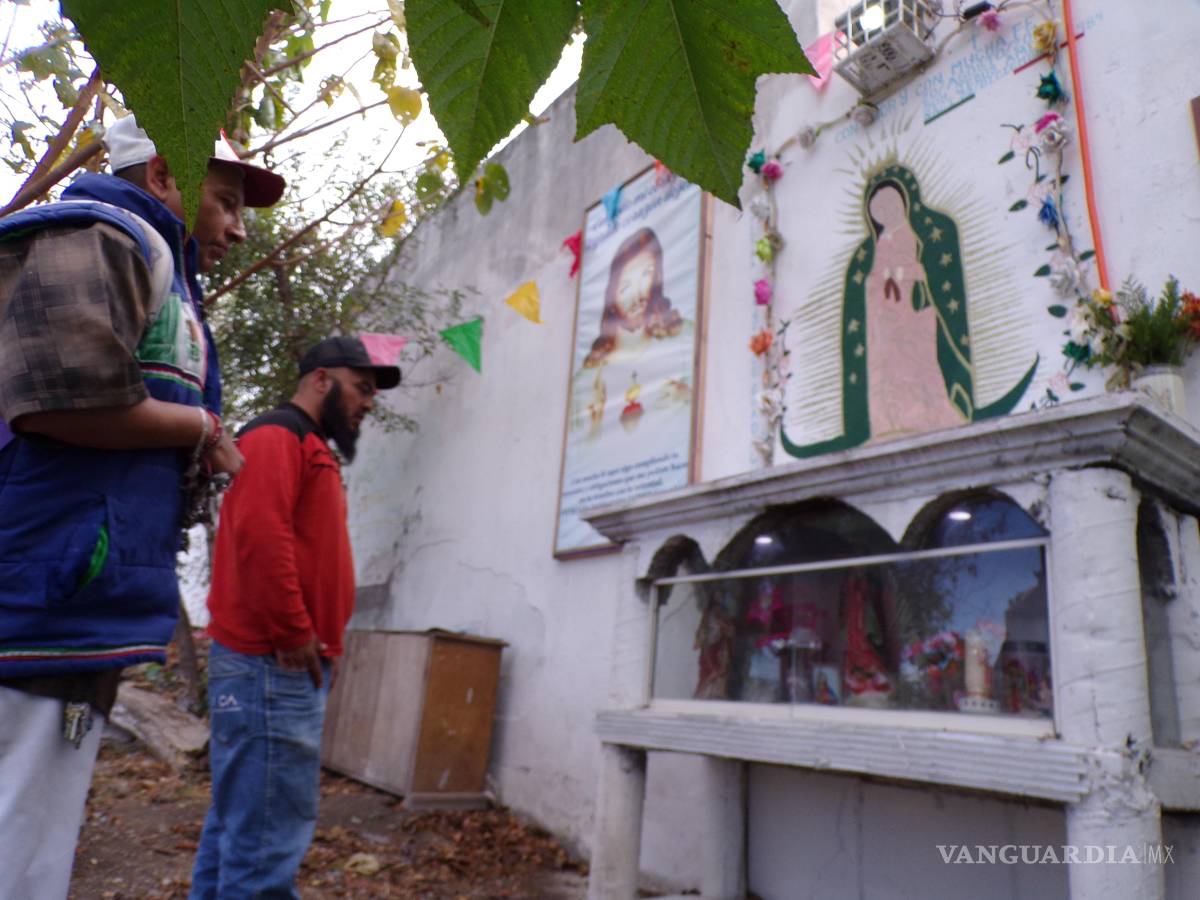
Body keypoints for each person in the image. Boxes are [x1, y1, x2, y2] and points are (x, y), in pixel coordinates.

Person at [0, 113, 284, 900]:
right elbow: (57, 400)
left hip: (65, 604)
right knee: (21, 839)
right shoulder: (101, 234)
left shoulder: (152, 264)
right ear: (163, 176)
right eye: (225, 202)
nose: (235, 228)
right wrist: (200, 427)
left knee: (38, 831)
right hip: (38, 602)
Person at [190, 335, 401, 899]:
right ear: (322, 380)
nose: (368, 403)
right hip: (270, 664)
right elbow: (260, 535)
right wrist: (292, 631)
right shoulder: (278, 435)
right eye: (361, 388)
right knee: (265, 845)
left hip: (275, 665)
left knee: (244, 827)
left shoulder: (304, 442)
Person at [780, 163, 1038, 459]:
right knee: (884, 371)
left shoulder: (911, 235)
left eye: (890, 203)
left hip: (912, 314)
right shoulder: (872, 247)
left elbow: (921, 271)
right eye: (878, 207)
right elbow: (867, 284)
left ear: (904, 203)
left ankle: (923, 418)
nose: (885, 210)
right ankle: (887, 426)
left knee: (916, 365)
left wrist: (902, 276)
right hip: (881, 323)